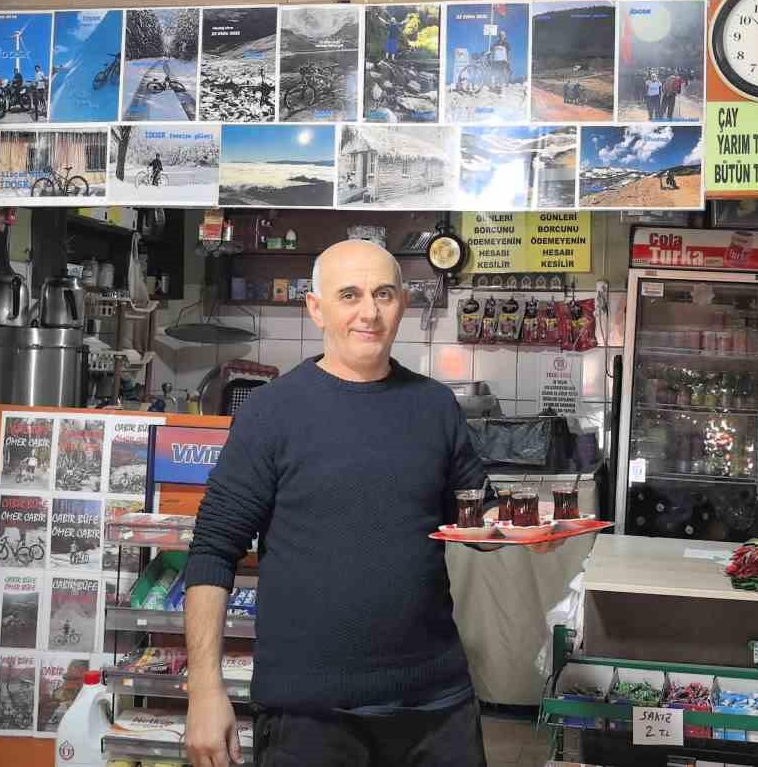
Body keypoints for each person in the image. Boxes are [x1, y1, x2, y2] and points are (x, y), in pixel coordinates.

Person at [183, 240, 561, 767]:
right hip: (309, 713)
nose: (369, 312)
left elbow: (475, 514)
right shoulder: (272, 412)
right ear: (316, 308)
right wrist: (204, 690)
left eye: (383, 294)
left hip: (436, 705)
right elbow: (212, 551)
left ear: (402, 303)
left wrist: (522, 527)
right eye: (350, 295)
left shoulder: (434, 405)